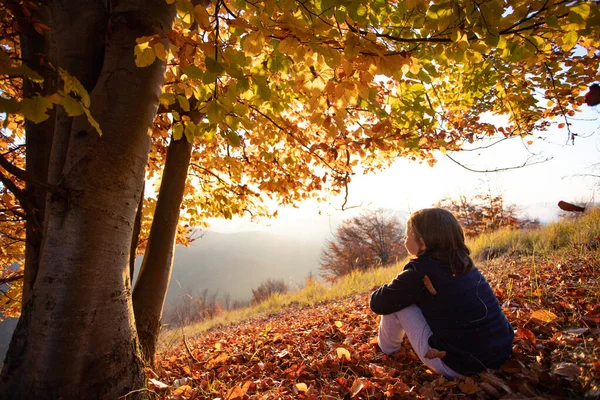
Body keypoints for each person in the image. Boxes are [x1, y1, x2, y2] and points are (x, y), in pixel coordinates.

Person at [369, 208, 514, 377]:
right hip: (501, 352)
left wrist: (379, 290)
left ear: (422, 242)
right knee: (404, 296)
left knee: (396, 302)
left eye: (407, 235)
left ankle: (388, 349)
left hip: (459, 364)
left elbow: (379, 303)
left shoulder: (420, 270)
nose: (404, 239)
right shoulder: (464, 262)